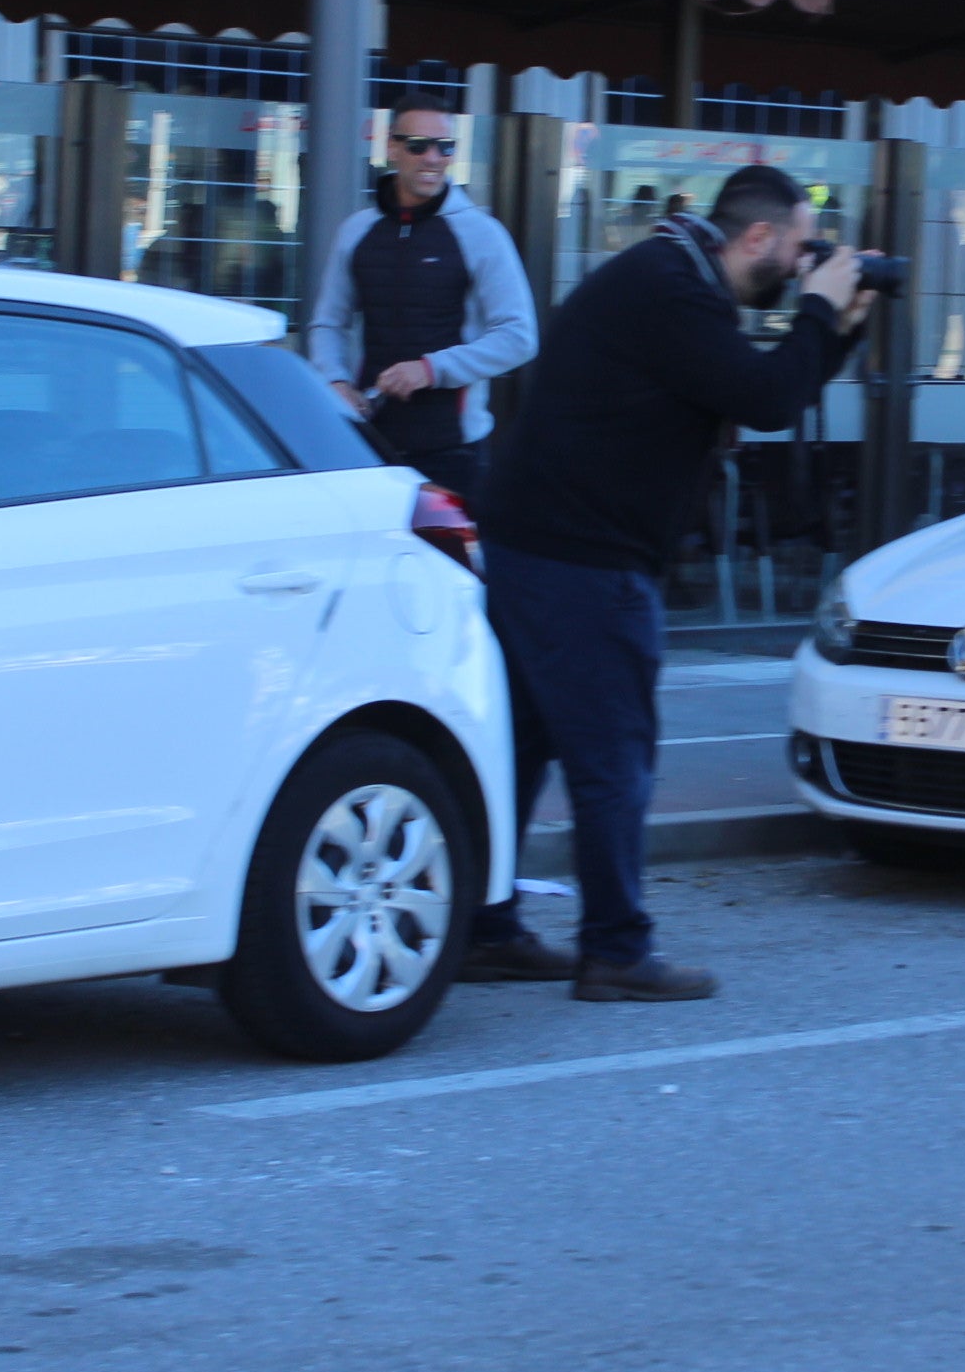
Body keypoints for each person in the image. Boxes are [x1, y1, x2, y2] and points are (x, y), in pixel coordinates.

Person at [462, 165, 876, 1000]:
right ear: (756, 238)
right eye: (799, 248)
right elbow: (763, 398)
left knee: (519, 748)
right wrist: (823, 310)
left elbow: (772, 391)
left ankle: (483, 928)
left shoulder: (666, 273)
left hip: (538, 549)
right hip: (582, 562)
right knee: (613, 756)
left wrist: (840, 324)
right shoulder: (671, 291)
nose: (802, 265)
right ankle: (614, 949)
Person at [305, 102, 538, 500]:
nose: (433, 158)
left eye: (445, 147)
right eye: (418, 145)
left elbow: (520, 337)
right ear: (391, 148)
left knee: (451, 565)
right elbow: (328, 323)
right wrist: (335, 381)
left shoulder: (482, 233)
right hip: (367, 443)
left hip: (453, 452)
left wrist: (431, 369)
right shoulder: (357, 231)